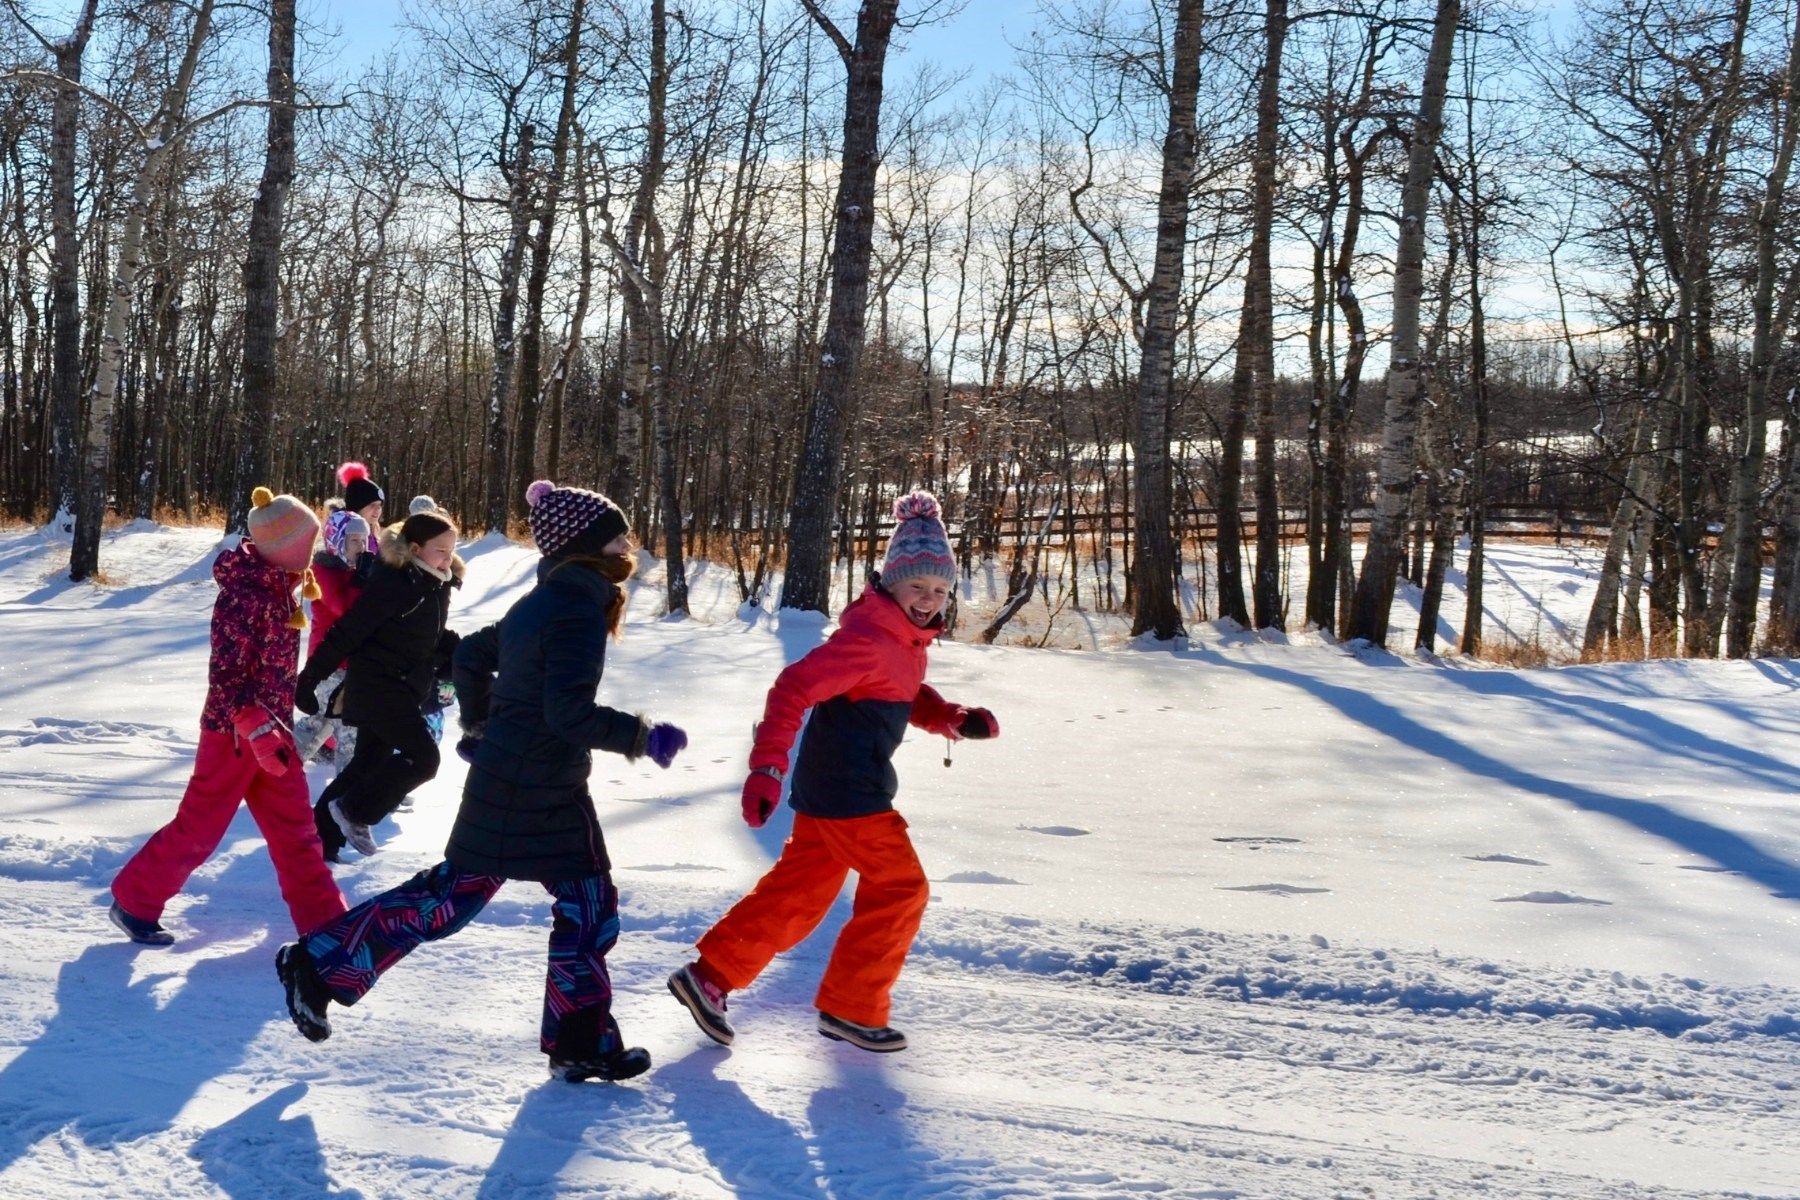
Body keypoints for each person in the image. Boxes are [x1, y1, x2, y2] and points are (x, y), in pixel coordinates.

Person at [275, 481, 688, 1084]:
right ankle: (318, 962)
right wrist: (642, 736)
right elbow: (566, 713)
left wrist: (482, 722)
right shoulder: (571, 607)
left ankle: (579, 1040)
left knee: (547, 902)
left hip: (531, 776)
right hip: (532, 782)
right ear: (586, 546)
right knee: (482, 901)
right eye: (617, 535)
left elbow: (469, 656)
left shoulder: (551, 600)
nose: (629, 544)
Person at [668, 491, 998, 1053]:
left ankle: (710, 977)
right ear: (890, 583)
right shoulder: (868, 641)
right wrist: (767, 767)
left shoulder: (902, 641)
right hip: (852, 794)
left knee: (798, 896)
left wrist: (948, 717)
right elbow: (794, 686)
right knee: (901, 888)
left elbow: (902, 692)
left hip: (831, 792)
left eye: (940, 589)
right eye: (917, 586)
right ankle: (852, 1007)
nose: (928, 599)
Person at [108, 488, 348, 946]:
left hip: (271, 735)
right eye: (306, 544)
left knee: (297, 829)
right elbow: (226, 673)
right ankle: (135, 899)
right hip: (233, 735)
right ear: (284, 548)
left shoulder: (281, 587)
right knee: (200, 827)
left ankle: (326, 923)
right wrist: (251, 720)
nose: (312, 553)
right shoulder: (245, 594)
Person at [295, 510, 462, 860]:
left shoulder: (434, 583)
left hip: (400, 687)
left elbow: (428, 635)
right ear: (415, 549)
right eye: (441, 550)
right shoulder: (396, 584)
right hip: (380, 687)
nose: (449, 558)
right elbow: (348, 632)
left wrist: (465, 655)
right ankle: (355, 812)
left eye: (452, 550)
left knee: (367, 764)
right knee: (424, 759)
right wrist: (310, 678)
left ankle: (318, 842)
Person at [292, 505, 372, 763]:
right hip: (328, 663)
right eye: (354, 540)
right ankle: (349, 789)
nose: (361, 546)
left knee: (323, 720)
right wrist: (362, 581)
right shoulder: (322, 572)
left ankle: (284, 758)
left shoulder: (354, 570)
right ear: (337, 542)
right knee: (349, 721)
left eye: (364, 540)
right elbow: (345, 610)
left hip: (353, 663)